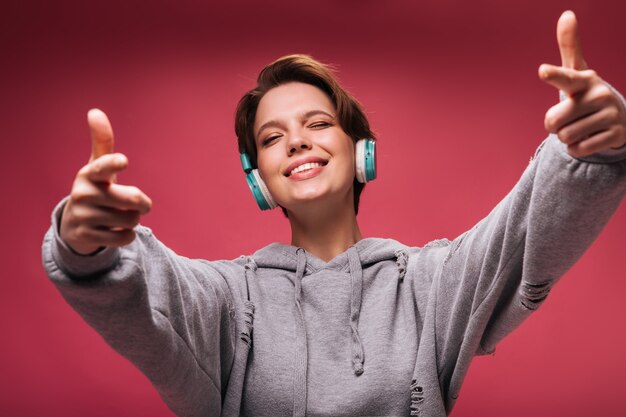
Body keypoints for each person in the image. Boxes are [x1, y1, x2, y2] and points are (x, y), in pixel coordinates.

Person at [42, 11, 625, 417]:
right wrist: (89, 242)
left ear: (360, 150)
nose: (297, 142)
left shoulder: (428, 284)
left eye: (318, 124)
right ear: (259, 180)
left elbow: (522, 234)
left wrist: (588, 149)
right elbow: (153, 290)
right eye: (272, 138)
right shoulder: (226, 297)